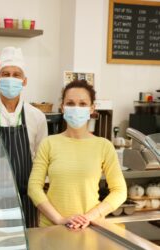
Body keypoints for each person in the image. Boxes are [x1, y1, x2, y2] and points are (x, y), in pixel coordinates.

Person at [28, 80, 127, 230]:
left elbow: (120, 191)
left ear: (92, 108)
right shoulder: (49, 144)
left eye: (82, 104)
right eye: (70, 103)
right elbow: (34, 187)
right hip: (52, 227)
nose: (76, 108)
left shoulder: (104, 146)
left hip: (89, 226)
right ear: (62, 107)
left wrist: (90, 216)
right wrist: (60, 219)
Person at [0, 47, 48, 228]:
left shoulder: (36, 116)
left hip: (28, 198)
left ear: (24, 81)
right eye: (5, 74)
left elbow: (41, 161)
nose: (10, 78)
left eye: (16, 75)